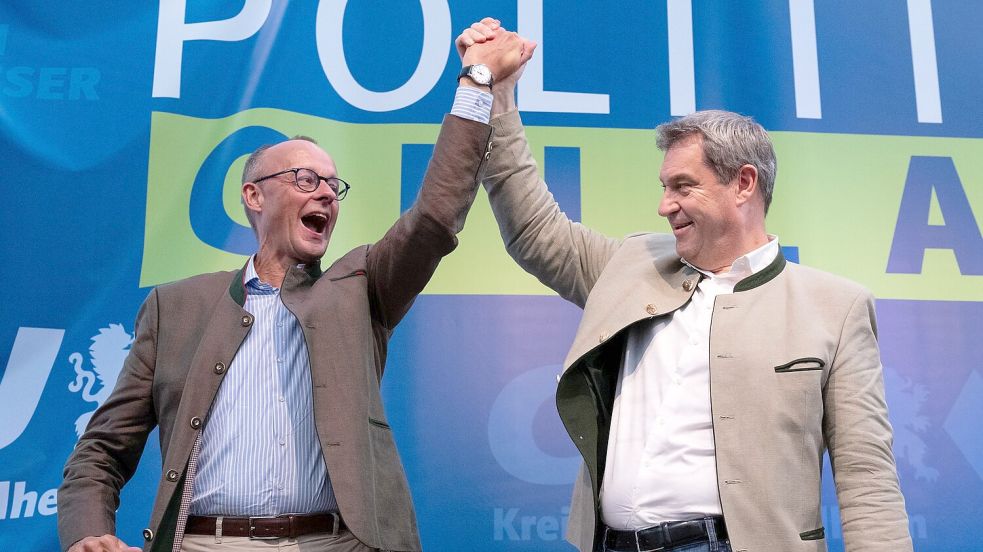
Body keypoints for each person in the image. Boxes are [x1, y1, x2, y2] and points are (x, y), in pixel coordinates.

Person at [57, 26, 531, 552]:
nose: (327, 193)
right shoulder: (177, 307)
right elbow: (101, 450)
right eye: (307, 179)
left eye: (334, 185)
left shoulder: (362, 288)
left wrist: (477, 82)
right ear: (254, 196)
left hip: (334, 543)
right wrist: (89, 532)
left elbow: (435, 217)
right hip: (203, 543)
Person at [458, 19, 913, 552]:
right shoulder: (630, 264)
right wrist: (500, 98)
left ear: (743, 184)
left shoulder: (835, 307)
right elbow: (534, 229)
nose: (664, 204)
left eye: (683, 186)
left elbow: (867, 477)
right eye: (664, 186)